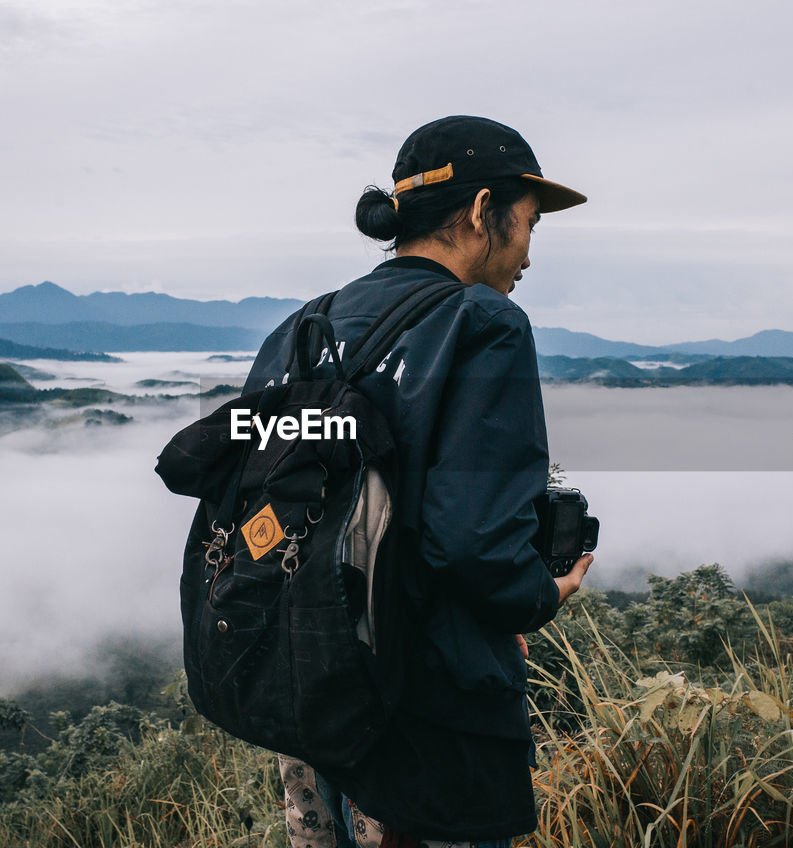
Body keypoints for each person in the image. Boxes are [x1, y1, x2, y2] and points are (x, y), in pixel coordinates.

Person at [242, 115, 593, 847]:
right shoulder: (484, 321)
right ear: (478, 213)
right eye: (528, 223)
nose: (528, 252)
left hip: (310, 693)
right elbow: (473, 541)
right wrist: (534, 597)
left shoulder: (304, 327)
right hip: (420, 716)